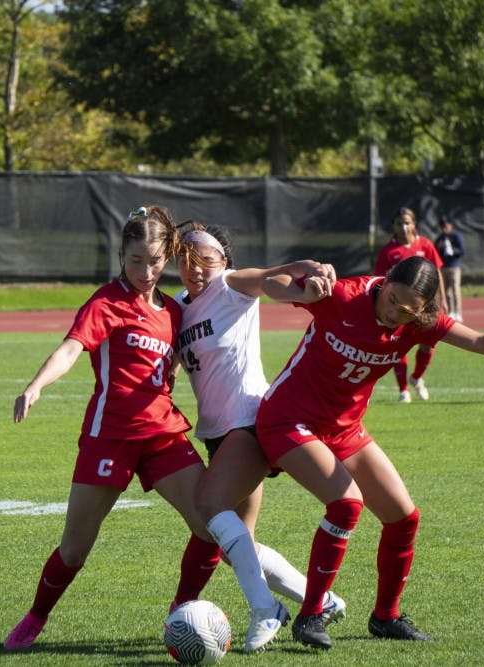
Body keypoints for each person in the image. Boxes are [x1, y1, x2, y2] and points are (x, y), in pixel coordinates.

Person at [255, 256, 484, 650]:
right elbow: (270, 285)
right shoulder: (343, 295)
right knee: (346, 504)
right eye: (392, 299)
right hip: (288, 419)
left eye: (407, 310)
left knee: (403, 517)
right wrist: (300, 284)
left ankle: (386, 617)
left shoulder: (419, 323)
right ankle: (310, 615)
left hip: (344, 428)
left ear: (423, 310)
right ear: (386, 282)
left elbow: (477, 341)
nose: (394, 313)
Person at [4, 206, 221, 651]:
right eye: (136, 260)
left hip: (163, 434)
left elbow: (173, 366)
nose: (147, 270)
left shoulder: (173, 312)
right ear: (121, 254)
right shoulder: (106, 302)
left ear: (169, 257)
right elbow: (70, 349)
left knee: (212, 526)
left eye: (156, 261)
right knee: (74, 550)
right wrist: (35, 385)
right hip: (111, 437)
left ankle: (180, 616)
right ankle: (36, 616)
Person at [173, 221, 344, 653]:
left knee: (208, 506)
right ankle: (319, 599)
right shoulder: (179, 305)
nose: (195, 268)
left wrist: (305, 283)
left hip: (248, 423)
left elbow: (272, 279)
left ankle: (265, 608)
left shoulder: (230, 284)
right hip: (218, 433)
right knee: (235, 545)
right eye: (186, 259)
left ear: (223, 261)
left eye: (205, 260)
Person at [374, 207, 447, 403]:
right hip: (400, 307)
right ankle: (403, 390)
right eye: (399, 223)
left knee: (428, 344)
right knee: (399, 345)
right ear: (394, 226)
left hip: (425, 306)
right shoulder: (388, 251)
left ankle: (416, 378)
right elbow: (380, 280)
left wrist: (443, 300)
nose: (404, 227)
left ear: (414, 224)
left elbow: (437, 273)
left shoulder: (425, 245)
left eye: (407, 223)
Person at [435, 215, 465, 321]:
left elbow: (462, 250)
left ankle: (458, 312)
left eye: (446, 226)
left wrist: (453, 251)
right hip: (443, 267)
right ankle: (451, 312)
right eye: (442, 226)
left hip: (454, 267)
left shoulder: (456, 236)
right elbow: (436, 253)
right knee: (446, 291)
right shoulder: (440, 238)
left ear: (450, 225)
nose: (444, 228)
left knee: (455, 289)